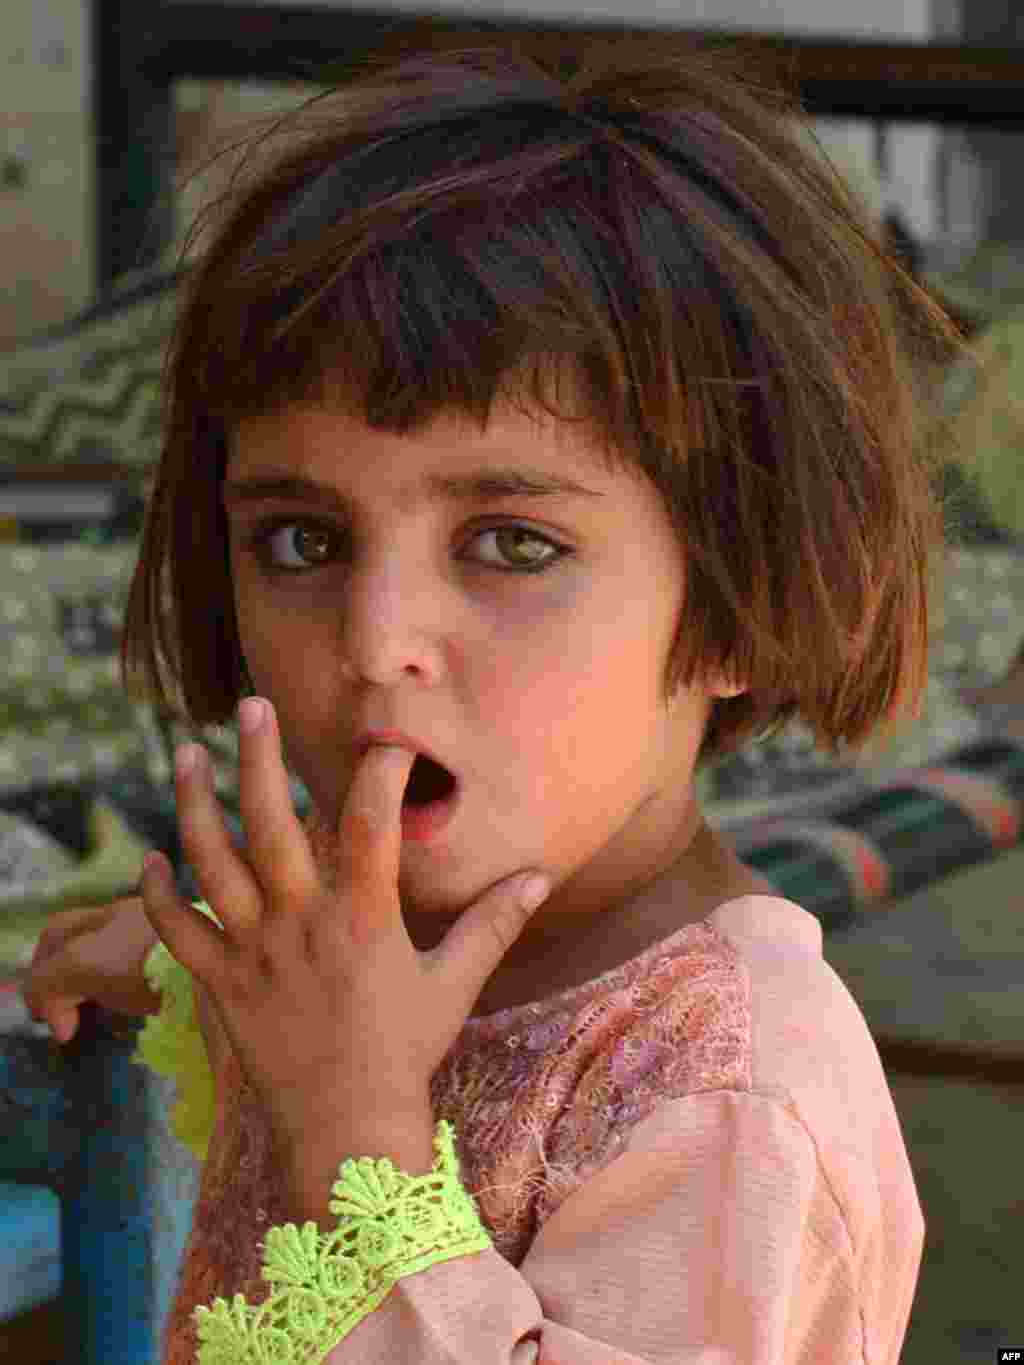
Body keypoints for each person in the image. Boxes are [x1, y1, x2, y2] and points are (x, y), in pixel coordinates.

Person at [24, 37, 972, 1364]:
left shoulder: (729, 1096)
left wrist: (356, 1129)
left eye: (513, 543)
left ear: (734, 598)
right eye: (301, 540)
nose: (375, 639)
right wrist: (210, 972)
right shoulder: (353, 956)